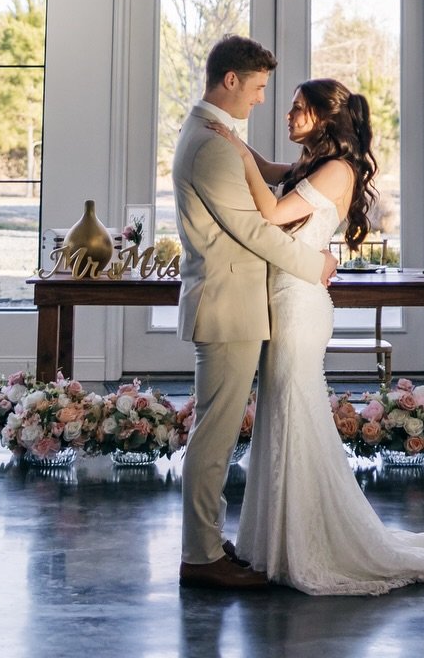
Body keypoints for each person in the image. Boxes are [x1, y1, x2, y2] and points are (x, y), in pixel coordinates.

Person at [204, 77, 424, 594]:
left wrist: (232, 151)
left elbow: (270, 212)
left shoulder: (336, 169)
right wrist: (232, 138)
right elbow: (268, 172)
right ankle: (276, 542)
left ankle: (307, 546)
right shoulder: (312, 163)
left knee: (295, 417)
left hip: (298, 304)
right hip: (283, 298)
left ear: (324, 118)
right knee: (280, 418)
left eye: (297, 109)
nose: (287, 116)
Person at [173, 36, 337, 592]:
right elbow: (251, 228)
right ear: (230, 81)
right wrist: (313, 264)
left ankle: (209, 545)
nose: (264, 99)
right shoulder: (212, 144)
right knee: (214, 438)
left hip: (236, 304)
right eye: (260, 87)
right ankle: (200, 557)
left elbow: (261, 198)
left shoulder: (215, 136)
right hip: (228, 306)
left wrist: (318, 167)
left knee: (215, 434)